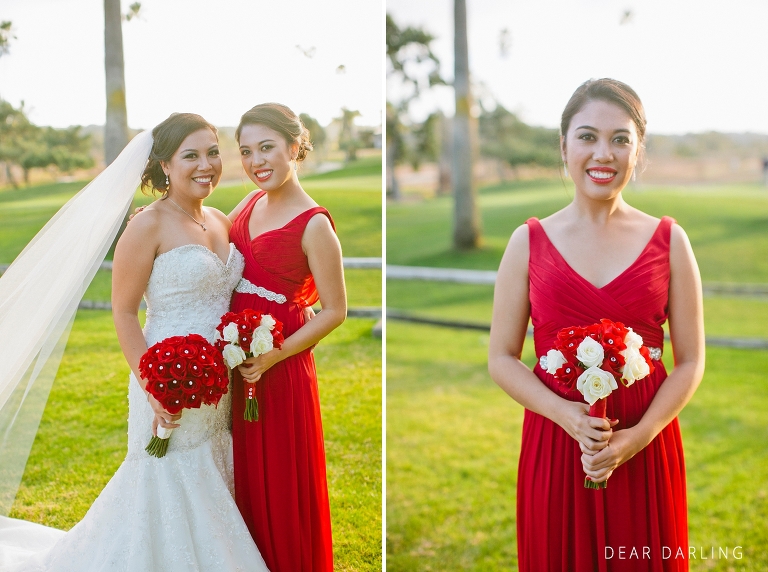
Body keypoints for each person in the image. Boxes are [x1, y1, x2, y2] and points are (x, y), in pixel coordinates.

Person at [0, 113, 268, 571]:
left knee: (210, 466)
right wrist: (152, 385)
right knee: (165, 474)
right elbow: (123, 311)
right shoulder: (146, 226)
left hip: (217, 384)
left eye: (212, 152)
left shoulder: (222, 221)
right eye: (190, 155)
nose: (206, 164)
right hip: (166, 378)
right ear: (164, 164)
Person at [488, 79, 705, 571]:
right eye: (587, 136)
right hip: (557, 442)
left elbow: (691, 361)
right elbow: (501, 358)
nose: (603, 153)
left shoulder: (670, 241)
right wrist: (564, 415)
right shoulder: (528, 241)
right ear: (563, 146)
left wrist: (638, 437)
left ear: (638, 149)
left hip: (645, 443)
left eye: (620, 138)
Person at [226, 103, 347, 572]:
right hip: (238, 357)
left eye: (268, 147)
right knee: (243, 474)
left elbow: (336, 311)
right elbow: (210, 231)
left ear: (295, 147)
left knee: (279, 476)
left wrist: (274, 356)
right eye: (247, 151)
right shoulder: (251, 202)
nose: (257, 161)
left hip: (281, 366)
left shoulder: (315, 224)